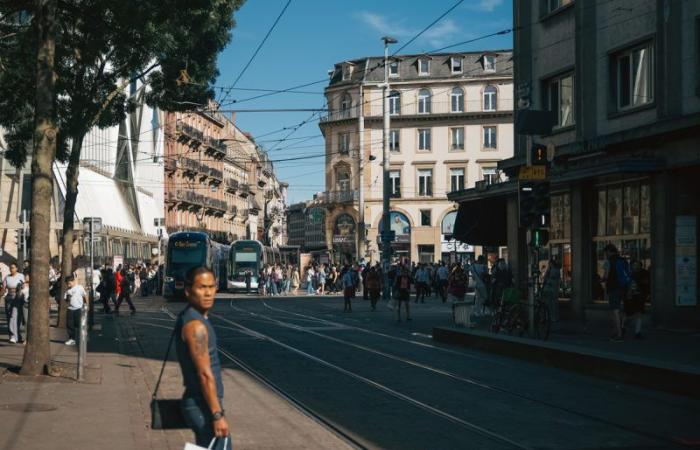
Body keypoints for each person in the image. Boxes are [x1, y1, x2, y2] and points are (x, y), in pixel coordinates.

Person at [175, 267, 231, 450]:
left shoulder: (192, 317)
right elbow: (205, 374)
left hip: (201, 404)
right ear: (188, 290)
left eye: (211, 286)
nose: (208, 292)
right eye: (201, 287)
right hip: (202, 406)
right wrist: (217, 415)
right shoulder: (195, 326)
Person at [602, 244, 630, 342]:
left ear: (609, 251)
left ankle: (619, 334)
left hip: (613, 288)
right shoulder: (623, 260)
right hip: (624, 287)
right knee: (621, 310)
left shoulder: (608, 262)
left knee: (615, 311)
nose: (605, 254)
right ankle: (618, 329)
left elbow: (606, 276)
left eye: (605, 252)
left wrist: (602, 280)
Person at [624, 261, 649, 339]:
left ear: (640, 266)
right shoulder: (629, 274)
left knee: (639, 314)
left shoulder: (644, 273)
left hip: (639, 296)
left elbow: (646, 283)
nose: (636, 267)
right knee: (629, 315)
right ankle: (623, 327)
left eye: (637, 265)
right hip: (631, 296)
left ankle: (637, 332)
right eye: (634, 265)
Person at [3, 263, 25, 343]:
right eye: (10, 268)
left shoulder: (21, 276)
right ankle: (16, 336)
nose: (11, 269)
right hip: (8, 297)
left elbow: (24, 286)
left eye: (13, 267)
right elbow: (3, 288)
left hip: (17, 297)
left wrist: (21, 289)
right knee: (9, 316)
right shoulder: (7, 277)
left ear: (16, 268)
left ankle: (13, 336)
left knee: (14, 316)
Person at [63, 274, 88, 346]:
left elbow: (85, 296)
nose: (68, 285)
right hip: (70, 309)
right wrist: (68, 298)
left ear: (73, 281)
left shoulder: (79, 287)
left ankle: (83, 337)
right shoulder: (67, 291)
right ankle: (72, 339)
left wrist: (87, 305)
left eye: (69, 283)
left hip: (78, 308)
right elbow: (66, 301)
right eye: (67, 284)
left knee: (79, 323)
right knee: (69, 324)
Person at [541, 258, 561, 323]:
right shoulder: (557, 270)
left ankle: (548, 317)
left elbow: (545, 278)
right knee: (554, 304)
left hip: (549, 288)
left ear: (551, 264)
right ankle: (554, 317)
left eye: (549, 264)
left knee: (548, 304)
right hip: (554, 289)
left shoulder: (550, 269)